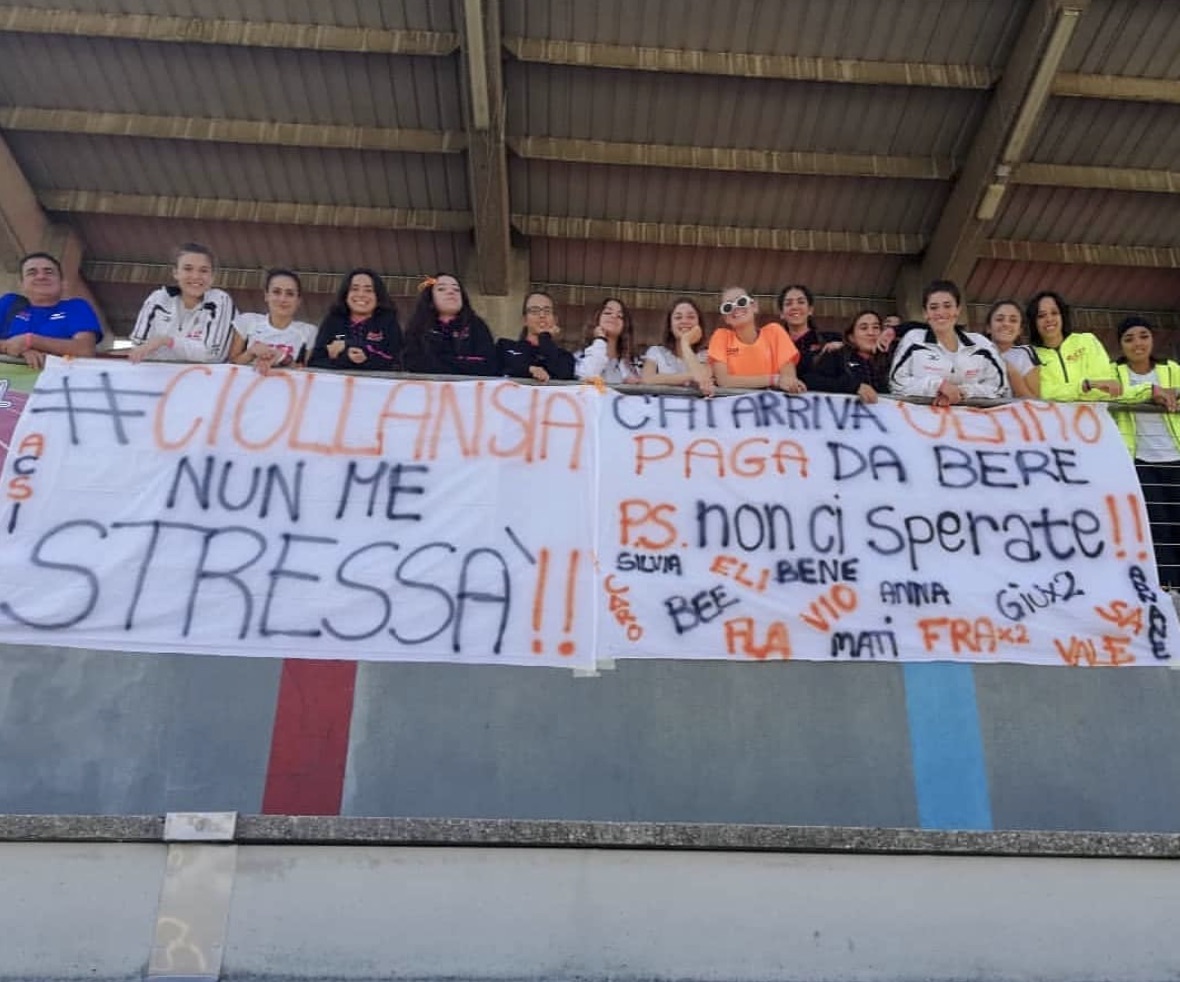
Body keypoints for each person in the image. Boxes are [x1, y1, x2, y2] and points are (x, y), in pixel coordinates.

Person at [1110, 315, 1180, 587]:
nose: (1137, 343)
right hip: (1140, 460)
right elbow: (1106, 395)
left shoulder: (1171, 369)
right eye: (1129, 339)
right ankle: (1170, 587)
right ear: (1120, 345)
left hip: (1175, 456)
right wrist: (1150, 393)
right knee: (1158, 525)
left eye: (1143, 336)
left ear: (1152, 339)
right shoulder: (1114, 373)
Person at [889, 279, 1008, 405]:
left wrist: (963, 391)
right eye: (933, 307)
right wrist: (937, 386)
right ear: (925, 313)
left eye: (947, 306)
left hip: (971, 416)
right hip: (922, 416)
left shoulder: (981, 344)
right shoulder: (913, 340)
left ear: (958, 310)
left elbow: (999, 387)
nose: (940, 313)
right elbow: (896, 383)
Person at [127, 243, 236, 363]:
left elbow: (212, 355)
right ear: (176, 272)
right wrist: (192, 349)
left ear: (212, 276)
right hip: (157, 374)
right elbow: (140, 348)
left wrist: (166, 341)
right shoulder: (158, 299)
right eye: (188, 269)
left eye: (203, 270)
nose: (196, 276)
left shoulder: (220, 300)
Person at [0, 252, 102, 368]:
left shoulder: (76, 307)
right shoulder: (9, 303)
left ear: (63, 283)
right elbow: (13, 347)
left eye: (49, 272)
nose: (41, 277)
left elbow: (85, 350)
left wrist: (31, 341)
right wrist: (16, 350)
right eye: (32, 273)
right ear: (22, 284)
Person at [1026, 290, 1120, 401]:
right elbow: (1043, 393)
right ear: (1034, 322)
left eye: (1054, 313)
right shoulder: (1030, 356)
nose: (1049, 319)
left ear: (1063, 316)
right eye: (1041, 316)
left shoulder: (1087, 341)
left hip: (1094, 411)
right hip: (1053, 413)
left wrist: (1085, 387)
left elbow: (1103, 387)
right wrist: (1084, 386)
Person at [707, 286, 805, 392]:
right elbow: (724, 381)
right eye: (727, 307)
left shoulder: (775, 332)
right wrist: (773, 379)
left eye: (741, 301)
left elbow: (788, 379)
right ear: (726, 318)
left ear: (754, 306)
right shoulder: (721, 337)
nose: (735, 308)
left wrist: (788, 382)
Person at [401, 273, 497, 376]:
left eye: (456, 289)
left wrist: (441, 360)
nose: (451, 292)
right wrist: (458, 362)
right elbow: (413, 363)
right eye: (441, 289)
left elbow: (488, 365)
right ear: (430, 298)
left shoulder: (476, 326)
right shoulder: (418, 327)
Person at [308, 268, 401, 372]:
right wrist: (345, 359)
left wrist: (359, 353)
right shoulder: (333, 321)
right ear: (346, 294)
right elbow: (316, 361)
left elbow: (396, 363)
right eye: (355, 289)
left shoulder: (388, 322)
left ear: (378, 296)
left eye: (368, 290)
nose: (361, 294)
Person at [229, 269, 318, 374]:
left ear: (298, 300)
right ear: (266, 296)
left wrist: (283, 358)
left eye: (290, 294)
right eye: (276, 292)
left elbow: (311, 373)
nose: (283, 299)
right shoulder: (248, 321)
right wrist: (250, 353)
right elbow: (230, 364)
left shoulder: (309, 331)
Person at [805, 309, 890, 404]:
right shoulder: (837, 355)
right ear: (851, 337)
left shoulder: (891, 358)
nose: (871, 333)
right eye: (864, 328)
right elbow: (811, 380)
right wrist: (854, 386)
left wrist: (893, 331)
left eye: (876, 327)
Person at [640, 297, 715, 396]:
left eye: (691, 317)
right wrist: (690, 376)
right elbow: (647, 379)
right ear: (670, 326)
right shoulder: (655, 351)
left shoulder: (707, 354)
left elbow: (703, 377)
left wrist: (685, 343)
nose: (684, 321)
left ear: (699, 324)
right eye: (678, 317)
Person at [497, 290, 575, 382]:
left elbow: (563, 374)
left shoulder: (564, 356)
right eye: (534, 311)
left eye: (547, 311)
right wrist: (529, 370)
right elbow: (505, 367)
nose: (542, 315)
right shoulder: (504, 347)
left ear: (555, 320)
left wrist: (545, 337)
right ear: (525, 319)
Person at [575, 297, 642, 384]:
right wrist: (600, 339)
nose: (614, 316)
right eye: (608, 313)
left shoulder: (634, 362)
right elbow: (588, 375)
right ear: (597, 319)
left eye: (620, 316)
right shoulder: (580, 356)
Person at [985, 299, 1039, 399]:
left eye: (1013, 320)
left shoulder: (1025, 354)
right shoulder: (975, 354)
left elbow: (1034, 401)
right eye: (999, 319)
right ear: (988, 327)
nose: (1006, 324)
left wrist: (1011, 372)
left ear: (1020, 330)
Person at [777, 283, 826, 377]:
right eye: (788, 303)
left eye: (801, 302)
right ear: (781, 313)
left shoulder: (828, 340)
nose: (795, 307)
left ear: (810, 310)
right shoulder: (774, 343)